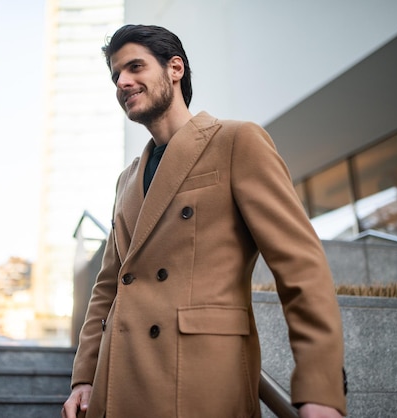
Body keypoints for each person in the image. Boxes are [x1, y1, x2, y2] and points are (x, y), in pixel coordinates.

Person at [62, 24, 347, 418]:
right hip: (118, 384)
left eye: (134, 67)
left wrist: (320, 389)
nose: (122, 82)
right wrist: (84, 378)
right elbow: (107, 287)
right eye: (115, 75)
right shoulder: (125, 180)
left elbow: (302, 267)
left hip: (199, 382)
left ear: (174, 68)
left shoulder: (236, 141)